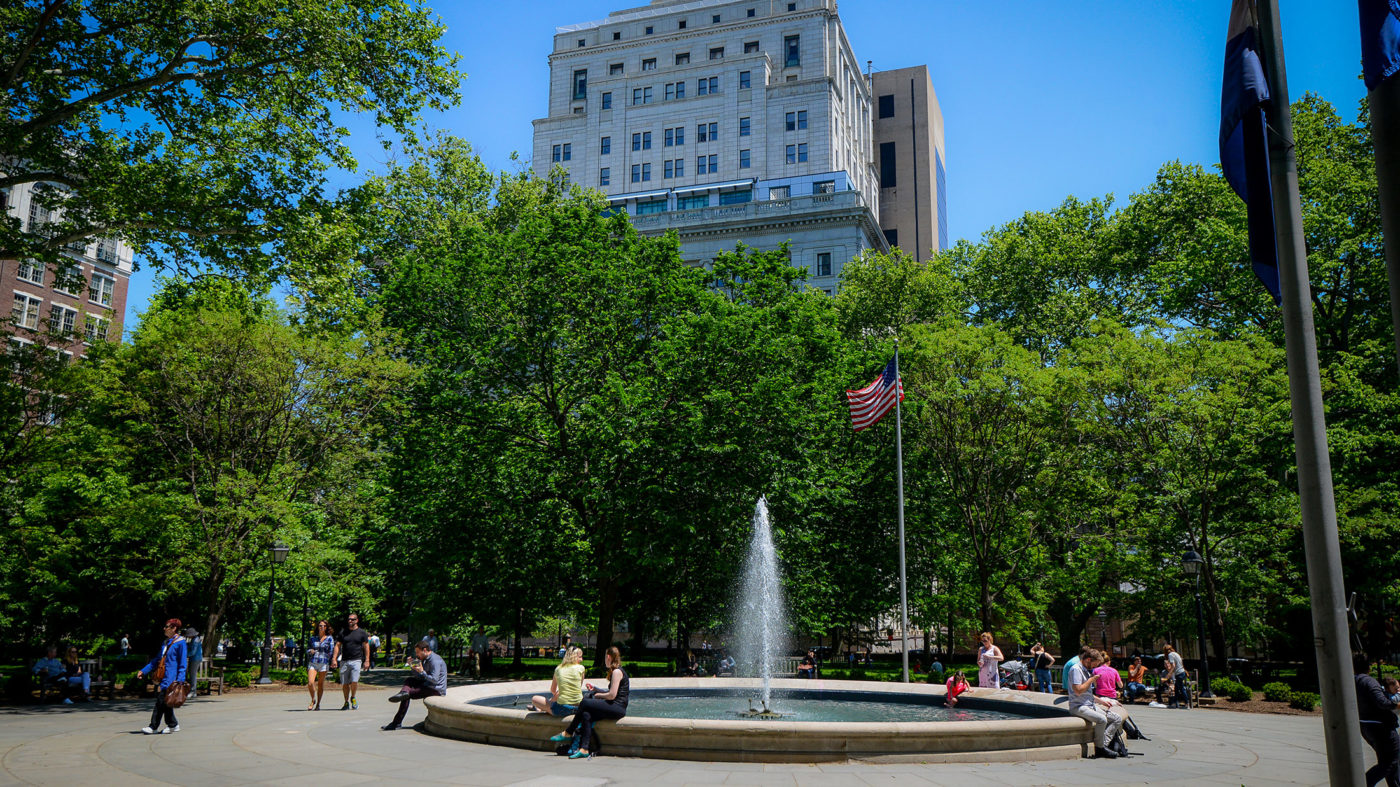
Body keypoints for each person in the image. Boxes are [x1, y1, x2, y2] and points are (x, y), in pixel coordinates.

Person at [554, 646, 628, 759]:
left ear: (608, 657)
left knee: (585, 703)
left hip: (618, 708)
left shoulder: (617, 672)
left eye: (605, 657)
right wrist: (596, 689)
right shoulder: (616, 670)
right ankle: (584, 749)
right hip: (614, 706)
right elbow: (612, 692)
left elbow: (612, 695)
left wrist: (598, 695)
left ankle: (569, 731)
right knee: (586, 714)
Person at [1065, 648, 1124, 759]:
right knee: (1102, 720)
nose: (1094, 667)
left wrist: (1102, 701)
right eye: (1094, 664)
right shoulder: (1076, 670)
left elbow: (1087, 693)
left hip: (1090, 705)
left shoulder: (1086, 670)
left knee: (1117, 718)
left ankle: (1104, 745)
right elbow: (1078, 691)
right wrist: (1091, 680)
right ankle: (1099, 748)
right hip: (1079, 706)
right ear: (1088, 660)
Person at [1354, 652, 1399, 787]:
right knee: (1391, 761)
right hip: (1382, 728)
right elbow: (1382, 703)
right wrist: (1396, 705)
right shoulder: (1369, 681)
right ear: (1368, 666)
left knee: (1390, 762)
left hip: (1366, 727)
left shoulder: (1354, 681)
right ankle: (1364, 782)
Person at [136, 619, 188, 734]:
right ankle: (173, 724)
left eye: (167, 626)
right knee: (166, 702)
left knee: (161, 702)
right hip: (164, 677)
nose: (164, 628)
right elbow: (156, 660)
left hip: (172, 679)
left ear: (174, 628)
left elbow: (183, 663)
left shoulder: (181, 643)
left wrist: (180, 680)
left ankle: (153, 726)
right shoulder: (165, 643)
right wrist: (143, 671)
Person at [383, 639, 447, 731]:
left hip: (435, 689)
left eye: (418, 652)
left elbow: (434, 680)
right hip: (427, 684)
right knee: (409, 680)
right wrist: (413, 667)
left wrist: (422, 671)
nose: (417, 655)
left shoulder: (435, 660)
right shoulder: (424, 659)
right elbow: (420, 677)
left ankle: (396, 723)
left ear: (425, 650)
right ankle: (404, 692)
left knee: (406, 696)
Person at [531, 646, 585, 716]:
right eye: (580, 657)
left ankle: (542, 709)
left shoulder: (558, 669)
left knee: (534, 698)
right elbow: (577, 688)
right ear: (575, 657)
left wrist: (555, 698)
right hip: (579, 707)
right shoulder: (581, 668)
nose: (582, 659)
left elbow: (553, 690)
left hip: (562, 709)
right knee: (559, 693)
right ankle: (543, 708)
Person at [332, 613, 370, 710]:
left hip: (356, 660)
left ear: (357, 620)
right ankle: (346, 702)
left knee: (354, 681)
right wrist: (334, 659)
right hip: (344, 661)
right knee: (345, 683)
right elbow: (337, 645)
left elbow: (366, 646)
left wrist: (367, 660)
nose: (350, 621)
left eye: (352, 619)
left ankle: (353, 697)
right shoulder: (343, 632)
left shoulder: (362, 633)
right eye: (349, 619)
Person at [306, 620, 335, 710]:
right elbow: (308, 648)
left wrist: (330, 659)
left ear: (326, 627)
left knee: (320, 684)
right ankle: (313, 699)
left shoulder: (329, 638)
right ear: (318, 627)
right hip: (313, 661)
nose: (322, 627)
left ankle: (318, 703)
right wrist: (310, 651)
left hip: (323, 662)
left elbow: (331, 650)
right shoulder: (312, 638)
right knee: (310, 682)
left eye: (324, 626)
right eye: (320, 625)